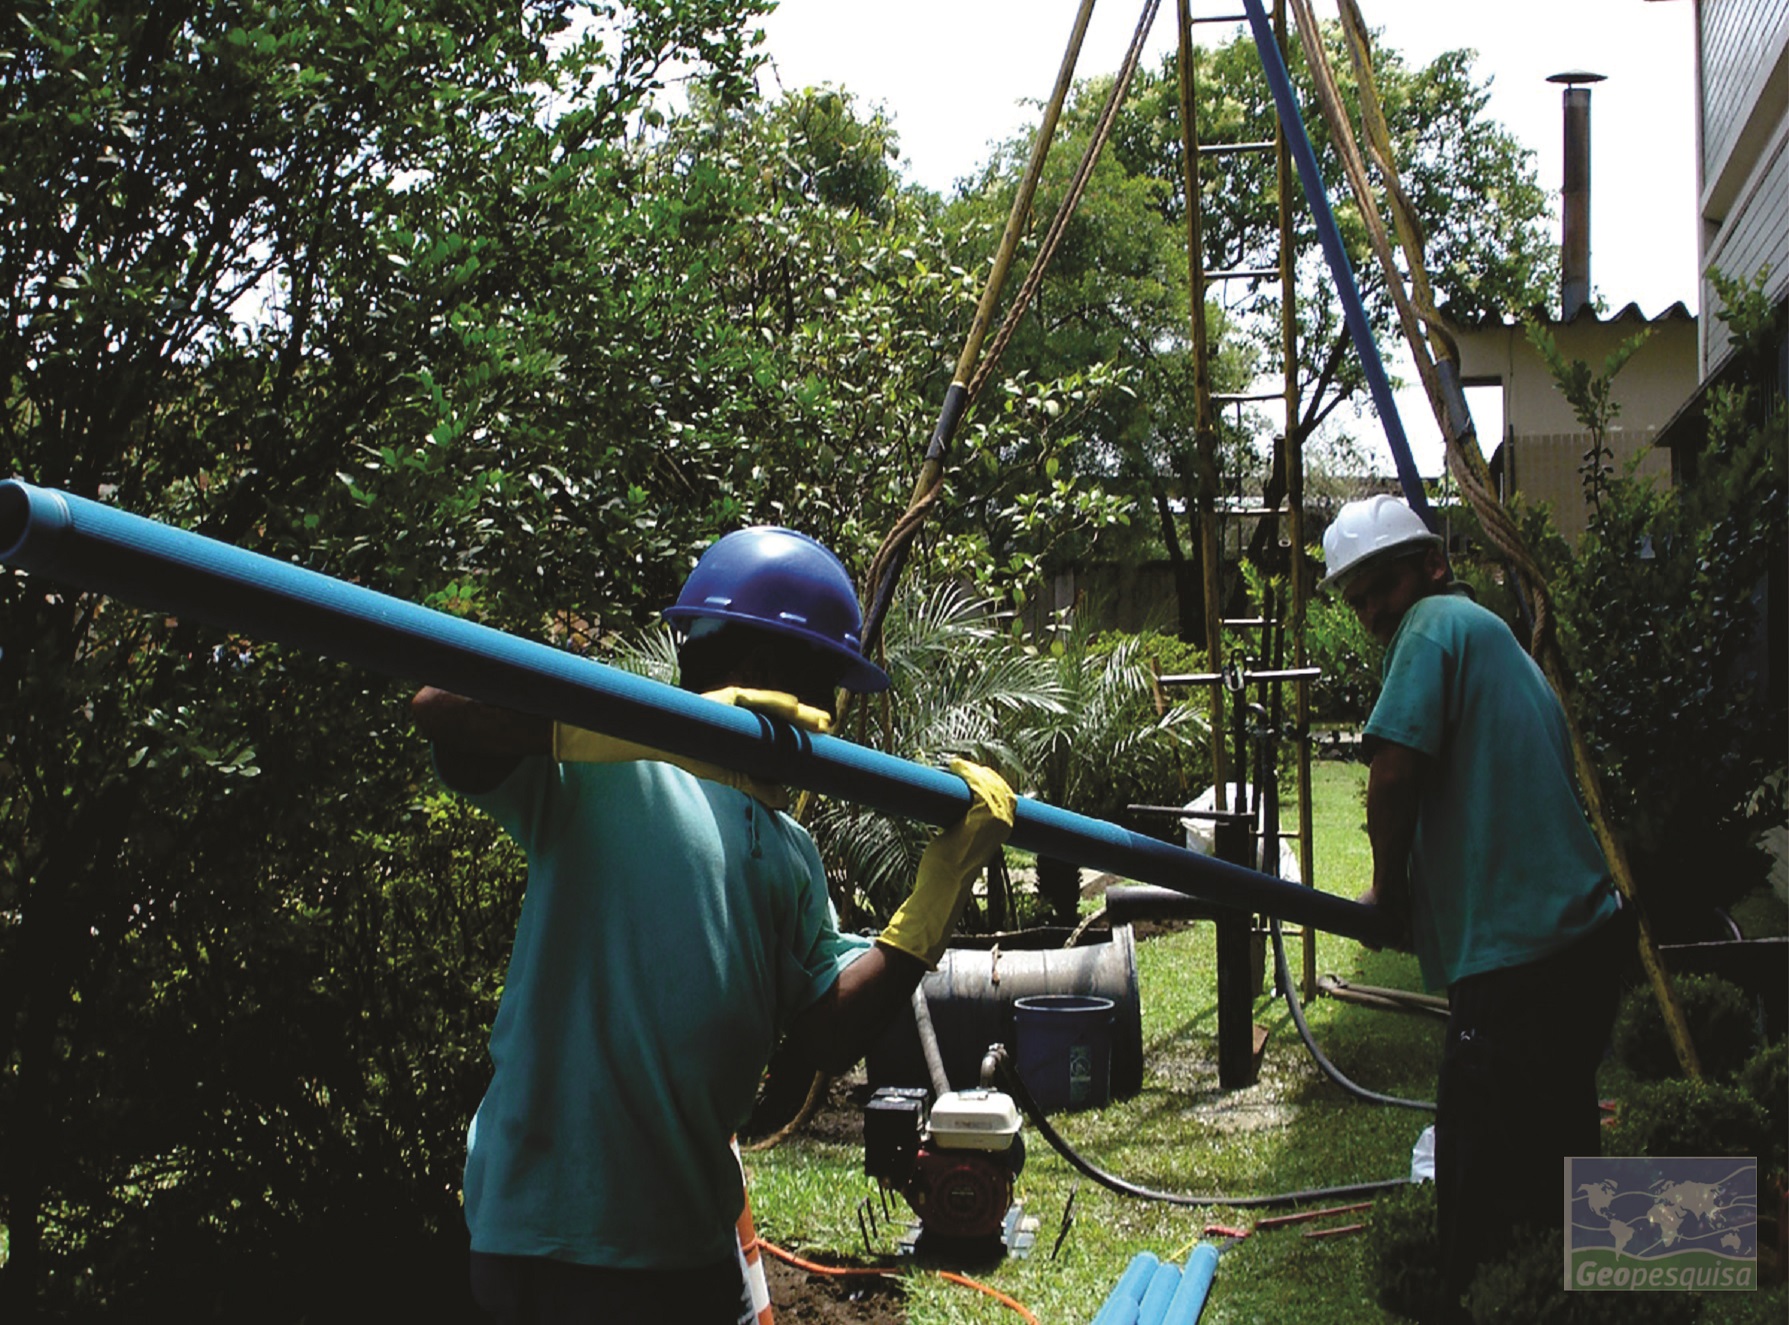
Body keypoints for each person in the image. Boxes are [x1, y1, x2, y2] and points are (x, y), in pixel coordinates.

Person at [412, 526, 1015, 1325]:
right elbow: (442, 706)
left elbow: (827, 1033)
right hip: (556, 1233)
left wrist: (934, 897)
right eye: (824, 686)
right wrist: (670, 727)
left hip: (691, 1240)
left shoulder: (787, 846)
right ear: (763, 673)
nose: (830, 716)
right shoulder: (607, 773)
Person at [1322, 495, 1628, 1315]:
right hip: (1580, 937)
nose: (1373, 611)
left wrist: (1388, 894)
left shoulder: (1432, 625)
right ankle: (1663, 1262)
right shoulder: (1496, 642)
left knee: (1476, 1177)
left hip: (1521, 954)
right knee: (1556, 1150)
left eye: (1379, 586)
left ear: (1430, 565)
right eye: (1356, 601)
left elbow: (1391, 772)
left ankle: (1484, 1302)